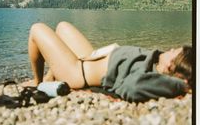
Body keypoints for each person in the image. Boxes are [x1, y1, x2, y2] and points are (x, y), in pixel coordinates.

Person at [23, 21, 192, 102]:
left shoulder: (149, 80)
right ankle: (49, 77)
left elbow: (131, 89)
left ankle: (37, 82)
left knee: (37, 29)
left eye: (173, 52)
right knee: (62, 26)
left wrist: (181, 84)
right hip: (90, 57)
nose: (170, 49)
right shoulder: (157, 62)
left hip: (77, 72)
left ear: (172, 67)